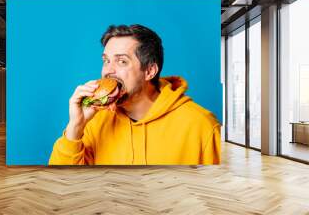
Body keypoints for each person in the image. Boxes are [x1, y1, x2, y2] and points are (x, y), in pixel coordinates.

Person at [49, 24, 220, 165]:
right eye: (106, 60)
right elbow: (61, 187)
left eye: (121, 61)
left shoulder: (202, 126)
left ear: (150, 71)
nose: (108, 71)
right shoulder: (94, 121)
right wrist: (76, 127)